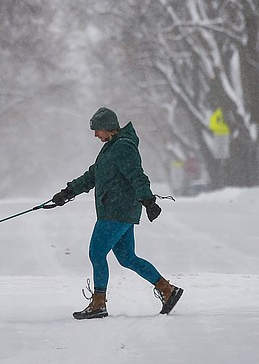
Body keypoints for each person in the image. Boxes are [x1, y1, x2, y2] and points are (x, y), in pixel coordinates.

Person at [49, 107, 184, 319]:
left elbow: (137, 175)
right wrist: (66, 193)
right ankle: (168, 290)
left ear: (107, 128)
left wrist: (148, 200)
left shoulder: (123, 147)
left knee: (96, 252)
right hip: (117, 210)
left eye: (97, 130)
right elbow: (92, 176)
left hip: (116, 210)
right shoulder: (110, 148)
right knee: (127, 257)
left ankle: (98, 303)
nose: (95, 135)